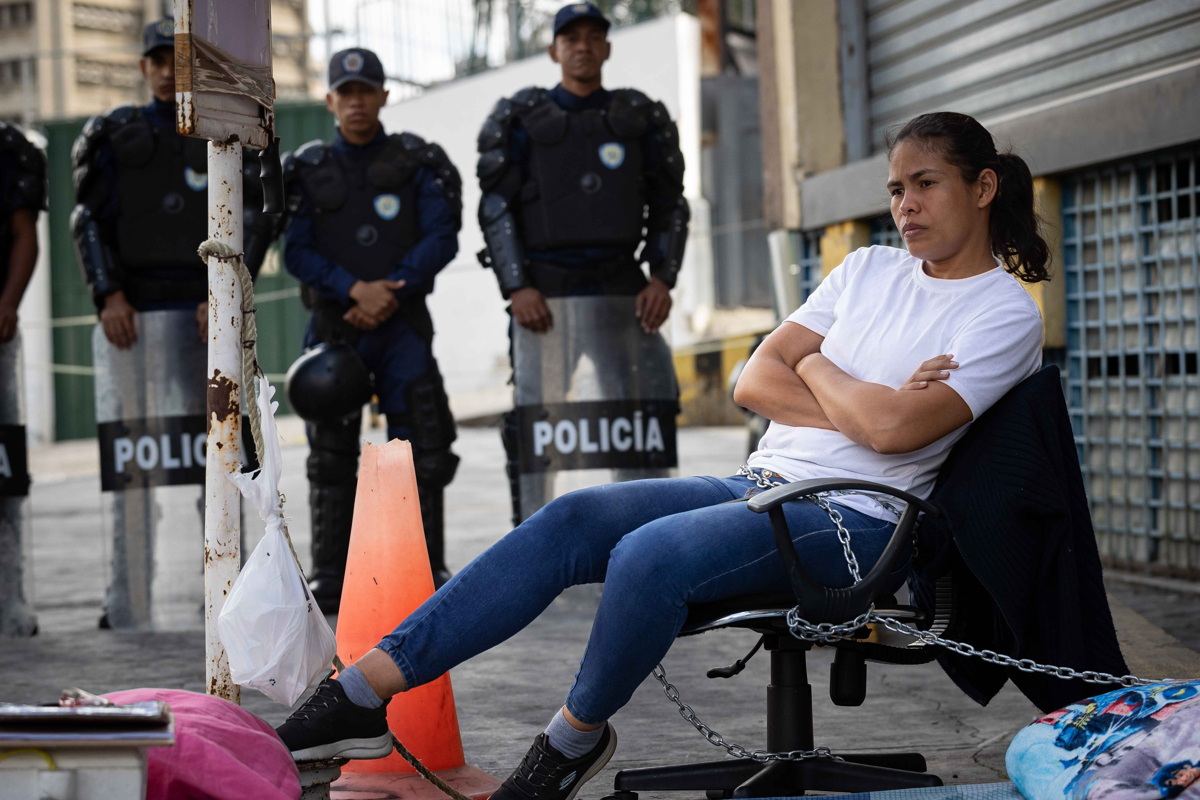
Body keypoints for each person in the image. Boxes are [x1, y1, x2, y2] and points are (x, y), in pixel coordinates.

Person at [276, 111, 1046, 800]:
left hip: (861, 518)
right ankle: (361, 694)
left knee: (649, 554)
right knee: (574, 517)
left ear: (982, 188)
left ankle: (569, 743)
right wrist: (857, 389)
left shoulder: (1002, 311)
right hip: (761, 483)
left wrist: (813, 365)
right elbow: (756, 380)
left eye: (926, 184)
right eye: (895, 188)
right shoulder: (869, 269)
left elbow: (891, 437)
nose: (905, 205)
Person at [71, 18, 273, 629]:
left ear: (194, 66)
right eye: (156, 59)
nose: (165, 69)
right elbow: (88, 220)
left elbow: (258, 219)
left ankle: (228, 596)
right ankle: (126, 603)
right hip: (130, 320)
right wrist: (107, 294)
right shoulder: (113, 134)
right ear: (143, 68)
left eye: (177, 58)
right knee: (133, 466)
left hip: (203, 317)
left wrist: (226, 296)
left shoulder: (227, 128)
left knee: (219, 461)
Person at [476, 2, 689, 522]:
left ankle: (647, 529)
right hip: (544, 292)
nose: (583, 45)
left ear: (608, 48)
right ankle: (533, 534)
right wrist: (516, 288)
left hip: (622, 282)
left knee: (636, 415)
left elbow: (669, 202)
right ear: (553, 50)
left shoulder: (640, 117)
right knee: (537, 421)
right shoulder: (520, 118)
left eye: (594, 36)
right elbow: (496, 205)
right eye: (571, 38)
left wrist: (662, 276)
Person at [281, 47, 462, 607]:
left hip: (401, 322)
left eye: (367, 91)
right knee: (329, 452)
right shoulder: (307, 170)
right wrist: (353, 289)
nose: (356, 102)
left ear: (384, 96)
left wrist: (391, 289)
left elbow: (442, 236)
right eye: (346, 93)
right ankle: (330, 575)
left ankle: (425, 567)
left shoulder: (418, 161)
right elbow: (297, 250)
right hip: (336, 326)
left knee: (423, 447)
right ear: (330, 100)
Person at [0, 120, 46, 638]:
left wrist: (7, 305)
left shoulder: (11, 150)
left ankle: (10, 599)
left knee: (4, 476)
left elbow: (22, 235)